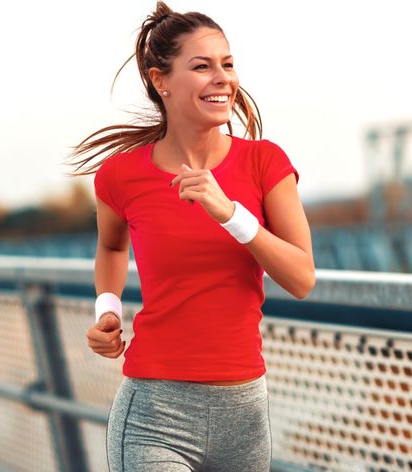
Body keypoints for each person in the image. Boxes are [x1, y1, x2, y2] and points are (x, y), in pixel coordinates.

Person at [67, 2, 315, 470]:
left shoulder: (265, 163)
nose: (222, 78)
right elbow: (112, 245)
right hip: (155, 413)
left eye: (228, 64)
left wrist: (232, 214)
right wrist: (108, 309)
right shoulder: (120, 176)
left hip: (245, 416)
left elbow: (302, 278)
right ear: (160, 80)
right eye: (202, 66)